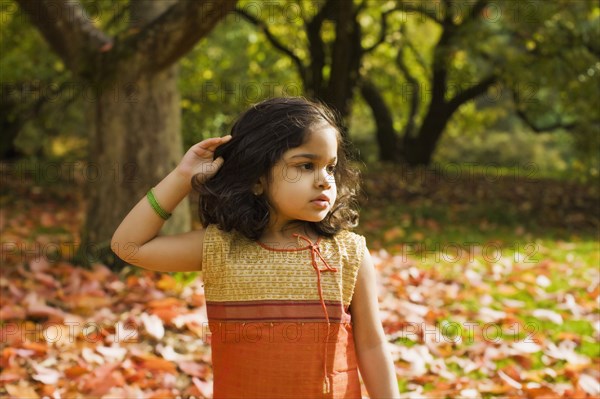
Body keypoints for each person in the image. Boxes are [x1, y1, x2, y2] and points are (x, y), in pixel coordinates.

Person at [111, 97, 400, 398]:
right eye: (305, 165)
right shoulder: (222, 247)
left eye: (330, 167)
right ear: (257, 179)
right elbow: (128, 245)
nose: (325, 181)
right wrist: (182, 178)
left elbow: (372, 344)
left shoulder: (348, 254)